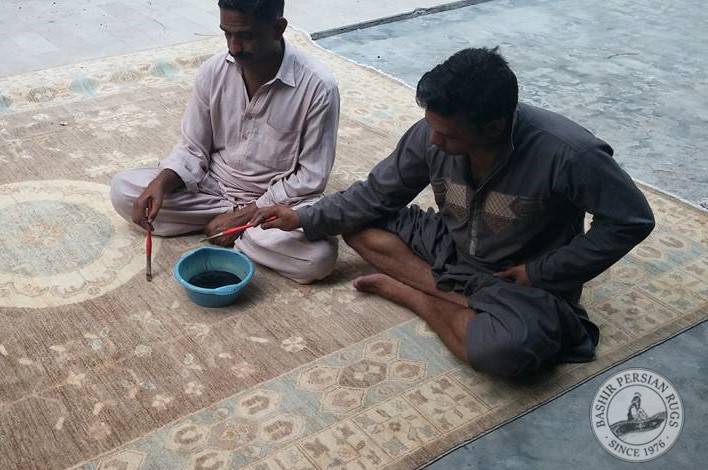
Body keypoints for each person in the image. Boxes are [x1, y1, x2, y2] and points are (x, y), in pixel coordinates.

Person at [250, 47, 656, 377]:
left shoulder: (570, 153)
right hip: (452, 244)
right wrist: (302, 217)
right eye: (432, 127)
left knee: (505, 353)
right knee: (355, 221)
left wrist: (541, 272)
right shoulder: (432, 134)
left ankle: (419, 296)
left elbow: (630, 221)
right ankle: (461, 298)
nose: (434, 140)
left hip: (519, 277)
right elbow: (376, 194)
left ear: (494, 128)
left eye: (448, 134)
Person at [110, 0, 340, 284]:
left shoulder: (318, 87)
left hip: (276, 202)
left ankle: (235, 229)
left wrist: (249, 214)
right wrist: (161, 183)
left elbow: (310, 177)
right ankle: (236, 232)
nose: (234, 47)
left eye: (246, 36)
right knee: (124, 191)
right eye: (227, 34)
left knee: (317, 259)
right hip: (213, 189)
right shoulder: (213, 72)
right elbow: (193, 147)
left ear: (278, 28)